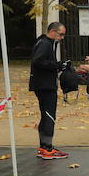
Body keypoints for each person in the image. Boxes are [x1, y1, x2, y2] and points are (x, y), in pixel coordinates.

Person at [29, 21, 69, 160]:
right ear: (53, 31)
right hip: (45, 86)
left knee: (46, 115)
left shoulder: (44, 41)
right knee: (49, 116)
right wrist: (58, 65)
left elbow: (41, 62)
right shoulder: (45, 43)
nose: (62, 37)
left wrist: (57, 65)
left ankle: (44, 147)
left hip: (43, 85)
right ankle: (47, 149)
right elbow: (37, 61)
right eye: (61, 34)